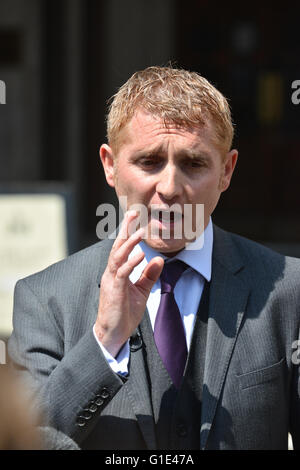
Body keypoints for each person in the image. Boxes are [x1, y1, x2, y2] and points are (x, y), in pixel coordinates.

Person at [8, 66, 300, 450]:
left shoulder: (288, 290)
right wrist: (104, 342)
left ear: (226, 171)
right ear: (110, 165)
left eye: (193, 164)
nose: (170, 187)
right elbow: (25, 443)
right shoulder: (45, 299)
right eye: (149, 162)